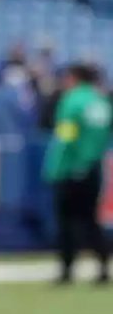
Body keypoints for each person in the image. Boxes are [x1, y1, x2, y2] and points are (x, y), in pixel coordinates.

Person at [44, 62, 111, 285]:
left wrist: (60, 166)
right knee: (91, 220)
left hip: (70, 168)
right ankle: (103, 267)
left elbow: (66, 135)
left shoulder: (72, 101)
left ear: (74, 78)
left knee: (66, 222)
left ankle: (67, 269)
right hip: (94, 167)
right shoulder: (101, 101)